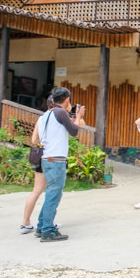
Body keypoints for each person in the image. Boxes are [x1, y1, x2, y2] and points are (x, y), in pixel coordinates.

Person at [19, 95, 83, 234]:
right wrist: (77, 116)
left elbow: (34, 139)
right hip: (54, 158)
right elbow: (76, 129)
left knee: (40, 191)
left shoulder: (43, 118)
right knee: (52, 193)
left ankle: (27, 222)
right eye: (68, 101)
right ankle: (47, 226)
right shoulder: (60, 115)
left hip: (43, 156)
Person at [36, 87, 84, 242]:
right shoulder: (61, 112)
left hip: (47, 159)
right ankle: (48, 231)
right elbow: (74, 131)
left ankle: (42, 225)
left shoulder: (46, 115)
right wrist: (78, 116)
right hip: (56, 160)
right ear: (67, 99)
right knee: (53, 195)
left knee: (50, 193)